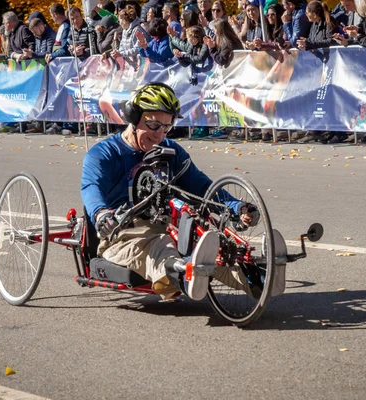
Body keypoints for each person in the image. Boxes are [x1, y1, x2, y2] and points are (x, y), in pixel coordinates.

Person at [81, 82, 268, 301]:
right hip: (122, 235)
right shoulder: (104, 154)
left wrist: (237, 207)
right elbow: (91, 187)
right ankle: (182, 275)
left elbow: (201, 186)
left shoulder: (171, 151)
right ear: (134, 118)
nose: (159, 134)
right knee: (163, 246)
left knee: (208, 242)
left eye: (166, 127)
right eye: (153, 125)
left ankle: (258, 279)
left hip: (170, 226)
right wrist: (101, 213)